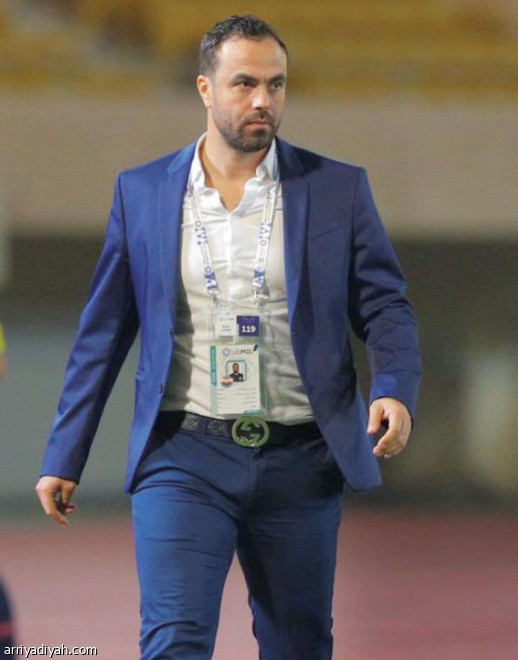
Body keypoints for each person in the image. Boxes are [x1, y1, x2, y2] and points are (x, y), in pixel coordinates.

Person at [34, 15, 421, 660]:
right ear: (205, 89)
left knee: (298, 645)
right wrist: (63, 454)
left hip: (302, 457)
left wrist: (395, 387)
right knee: (174, 641)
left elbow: (386, 304)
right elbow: (102, 334)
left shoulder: (337, 189)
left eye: (276, 84)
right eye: (244, 83)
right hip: (183, 453)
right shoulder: (142, 193)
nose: (263, 100)